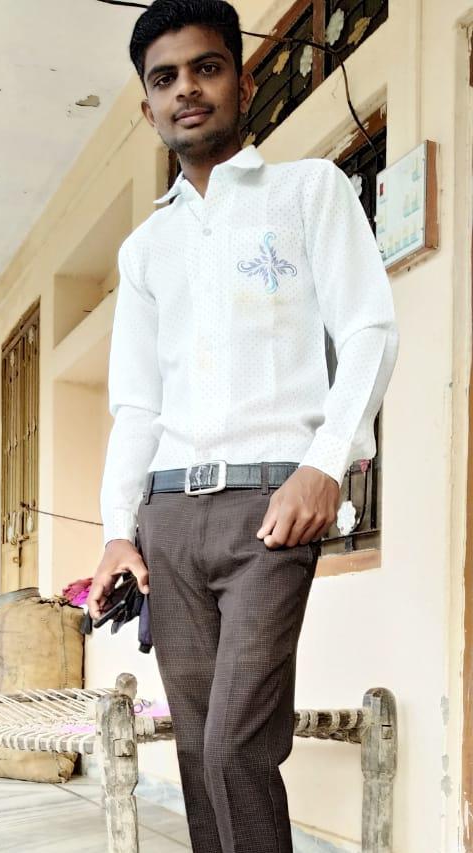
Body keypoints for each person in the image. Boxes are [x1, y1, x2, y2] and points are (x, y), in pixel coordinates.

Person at [88, 1, 399, 850]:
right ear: (148, 105)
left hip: (270, 513)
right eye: (165, 79)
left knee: (235, 748)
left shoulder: (308, 192)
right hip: (167, 523)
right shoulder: (144, 250)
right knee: (197, 755)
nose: (186, 90)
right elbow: (137, 404)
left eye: (206, 67)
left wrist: (325, 462)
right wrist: (117, 530)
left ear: (242, 80)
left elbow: (370, 330)